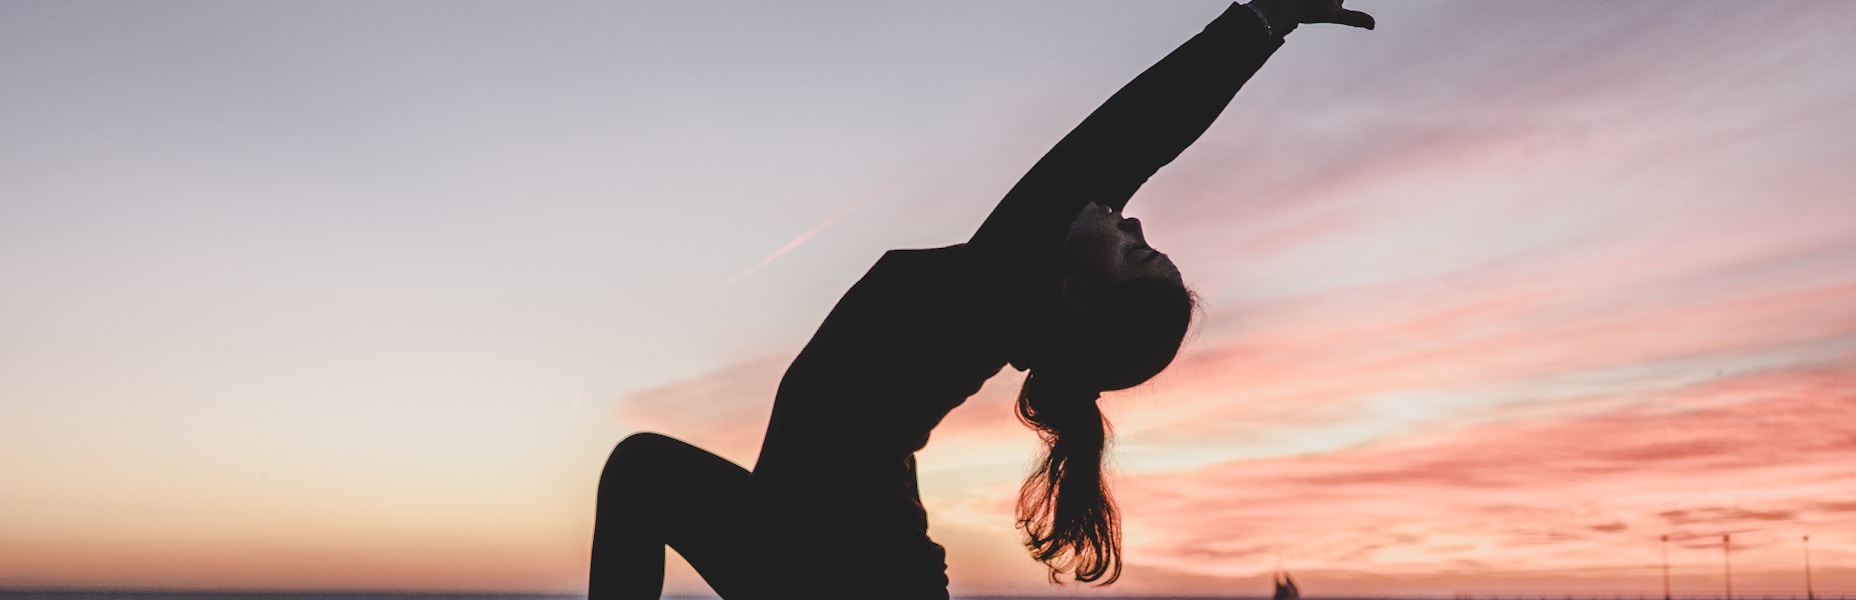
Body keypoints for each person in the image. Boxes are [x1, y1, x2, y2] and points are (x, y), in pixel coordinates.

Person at [587, 2, 1374, 598]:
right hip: (816, 551)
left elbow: (1130, 136)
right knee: (640, 470)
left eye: (1135, 250)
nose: (1129, 215)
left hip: (839, 566)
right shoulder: (1005, 301)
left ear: (1079, 295)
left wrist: (1263, 21)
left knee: (640, 471)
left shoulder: (1001, 281)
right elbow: (1122, 154)